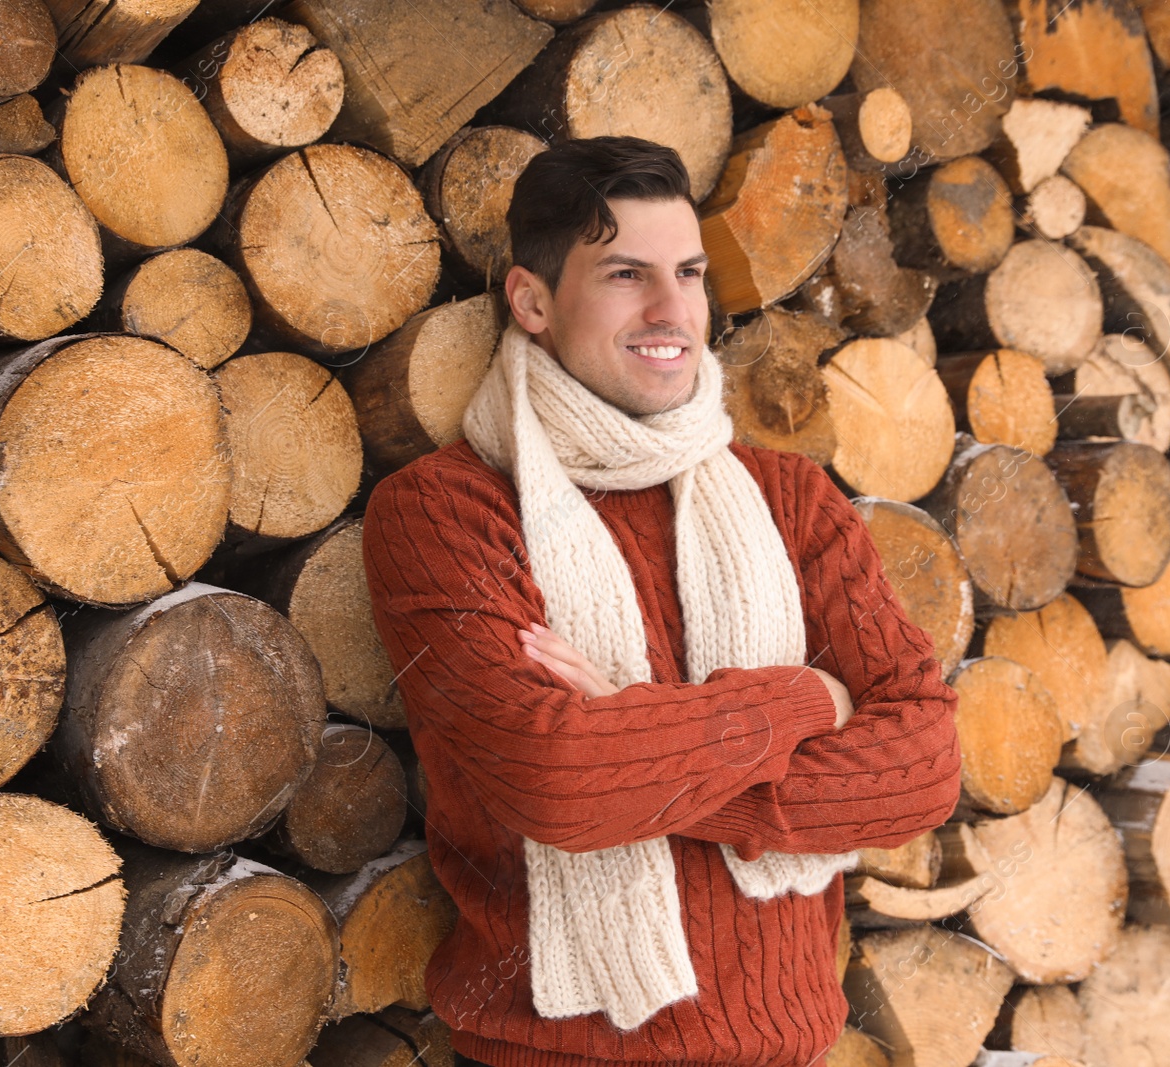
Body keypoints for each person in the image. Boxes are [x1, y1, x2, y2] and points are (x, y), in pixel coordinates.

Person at [361, 134, 961, 1067]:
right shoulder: (446, 513)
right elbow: (560, 782)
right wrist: (802, 701)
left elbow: (923, 765)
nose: (671, 308)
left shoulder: (788, 497)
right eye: (625, 274)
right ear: (531, 300)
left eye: (687, 271)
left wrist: (635, 737)